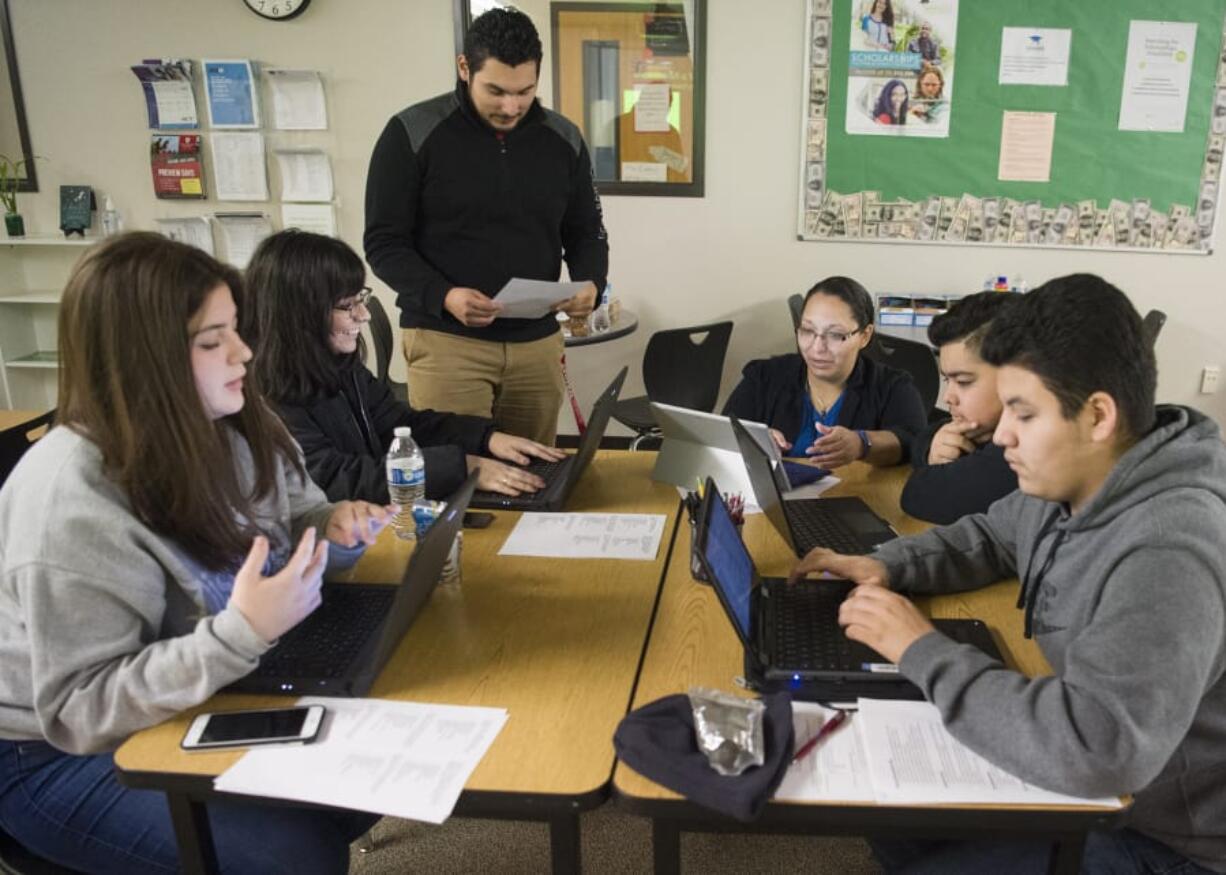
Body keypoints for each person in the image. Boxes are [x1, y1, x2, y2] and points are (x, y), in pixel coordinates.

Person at [791, 274, 1226, 874]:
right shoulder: (1082, 473)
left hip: (1163, 833)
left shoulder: (1169, 548)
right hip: (1102, 766)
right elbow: (994, 534)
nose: (1000, 435)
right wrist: (886, 563)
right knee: (890, 815)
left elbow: (1098, 749)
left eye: (1022, 412)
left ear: (1098, 415)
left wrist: (922, 648)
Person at [0, 233, 391, 873]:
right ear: (143, 362)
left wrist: (334, 527)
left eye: (235, 329)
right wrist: (240, 635)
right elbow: (80, 709)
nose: (243, 353)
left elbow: (297, 517)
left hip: (204, 683)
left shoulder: (235, 421)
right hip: (51, 753)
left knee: (365, 778)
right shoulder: (71, 501)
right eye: (212, 342)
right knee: (292, 857)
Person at [364, 7, 608, 445]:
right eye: (495, 90)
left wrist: (590, 283)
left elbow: (587, 230)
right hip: (446, 341)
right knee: (456, 478)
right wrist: (445, 296)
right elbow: (384, 243)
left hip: (536, 344)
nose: (511, 106)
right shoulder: (412, 132)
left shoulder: (564, 138)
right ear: (464, 68)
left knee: (534, 476)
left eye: (525, 91)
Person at [244, 230, 566, 504]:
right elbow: (334, 478)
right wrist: (460, 468)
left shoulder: (339, 366)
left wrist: (487, 438)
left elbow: (399, 424)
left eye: (362, 299)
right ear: (297, 313)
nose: (364, 315)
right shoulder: (267, 396)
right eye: (347, 306)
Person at [723, 276, 926, 468]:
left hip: (855, 499)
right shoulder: (764, 378)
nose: (817, 348)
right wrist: (754, 439)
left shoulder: (892, 387)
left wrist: (862, 444)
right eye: (808, 331)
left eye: (835, 335)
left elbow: (914, 441)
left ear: (865, 335)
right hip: (778, 502)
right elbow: (721, 434)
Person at [900, 292, 1018, 524]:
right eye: (947, 380)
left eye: (963, 382)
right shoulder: (990, 428)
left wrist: (933, 468)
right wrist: (932, 449)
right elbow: (927, 435)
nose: (948, 397)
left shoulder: (1021, 451)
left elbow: (918, 494)